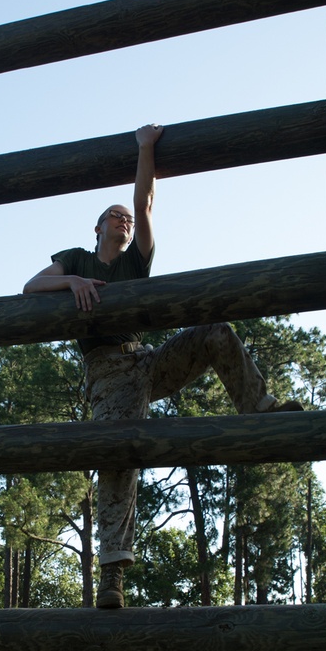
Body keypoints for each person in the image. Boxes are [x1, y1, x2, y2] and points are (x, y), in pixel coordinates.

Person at [23, 124, 301, 608]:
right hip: (108, 373)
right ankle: (113, 574)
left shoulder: (135, 263)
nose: (123, 221)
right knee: (118, 458)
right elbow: (30, 286)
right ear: (96, 228)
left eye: (126, 219)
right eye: (114, 217)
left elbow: (145, 200)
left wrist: (145, 148)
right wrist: (71, 282)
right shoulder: (74, 258)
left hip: (147, 362)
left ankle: (259, 407)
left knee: (214, 331)